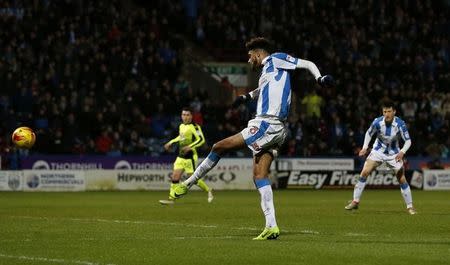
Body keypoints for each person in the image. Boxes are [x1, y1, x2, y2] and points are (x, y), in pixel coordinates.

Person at [173, 37, 334, 239]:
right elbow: (264, 89)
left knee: (218, 147)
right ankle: (271, 226)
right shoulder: (268, 72)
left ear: (258, 54)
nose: (249, 61)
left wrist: (319, 78)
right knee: (259, 176)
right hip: (278, 129)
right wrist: (246, 97)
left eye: (250, 57)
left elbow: (306, 63)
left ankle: (188, 183)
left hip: (266, 123)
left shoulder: (276, 59)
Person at [345, 100, 417, 215]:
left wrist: (402, 152)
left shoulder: (400, 124)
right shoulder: (377, 122)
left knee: (401, 178)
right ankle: (355, 201)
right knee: (364, 172)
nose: (387, 114)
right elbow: (369, 133)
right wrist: (364, 147)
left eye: (389, 111)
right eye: (384, 111)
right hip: (378, 151)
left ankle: (410, 207)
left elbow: (408, 141)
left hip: (394, 154)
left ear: (394, 112)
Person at [159, 107, 214, 205]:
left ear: (191, 116)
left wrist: (190, 146)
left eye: (187, 115)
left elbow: (201, 140)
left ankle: (208, 190)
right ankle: (171, 199)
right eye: (183, 115)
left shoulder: (195, 127)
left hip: (190, 157)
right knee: (175, 177)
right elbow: (181, 137)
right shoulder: (181, 126)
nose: (185, 117)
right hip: (181, 156)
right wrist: (170, 142)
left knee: (193, 179)